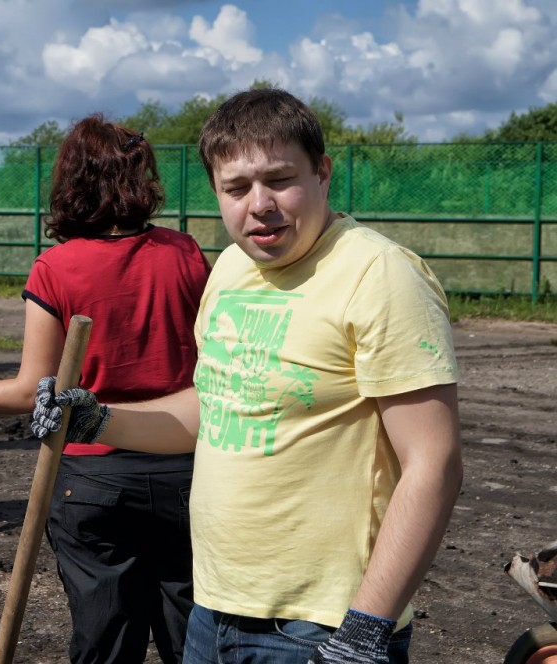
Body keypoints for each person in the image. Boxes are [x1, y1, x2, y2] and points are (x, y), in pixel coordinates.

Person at [32, 89, 464, 664]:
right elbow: (213, 408)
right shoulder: (233, 267)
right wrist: (97, 417)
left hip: (323, 629)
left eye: (280, 180)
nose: (259, 205)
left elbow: (434, 463)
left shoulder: (380, 277)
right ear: (216, 191)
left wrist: (365, 630)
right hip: (214, 611)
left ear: (323, 173)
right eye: (236, 189)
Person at [0, 114, 211, 663]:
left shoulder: (56, 269)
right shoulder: (186, 253)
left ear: (73, 181)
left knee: (104, 644)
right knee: (193, 641)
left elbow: (32, 392)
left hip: (94, 478)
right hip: (185, 471)